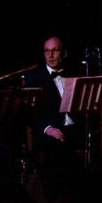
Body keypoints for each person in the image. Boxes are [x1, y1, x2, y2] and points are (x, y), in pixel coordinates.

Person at [24, 35, 81, 168]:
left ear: (63, 53)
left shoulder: (74, 73)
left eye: (54, 50)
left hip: (75, 128)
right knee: (57, 153)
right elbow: (30, 113)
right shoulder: (33, 77)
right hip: (49, 130)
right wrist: (48, 129)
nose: (50, 55)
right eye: (46, 51)